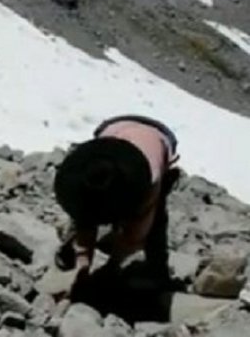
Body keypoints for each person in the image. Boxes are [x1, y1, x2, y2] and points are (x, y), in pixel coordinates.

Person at [50, 114, 182, 323]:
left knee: (155, 222)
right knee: (85, 211)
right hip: (114, 132)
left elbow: (134, 236)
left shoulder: (149, 182)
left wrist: (113, 267)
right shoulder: (89, 165)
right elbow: (84, 216)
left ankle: (157, 272)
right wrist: (82, 263)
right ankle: (71, 255)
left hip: (158, 140)